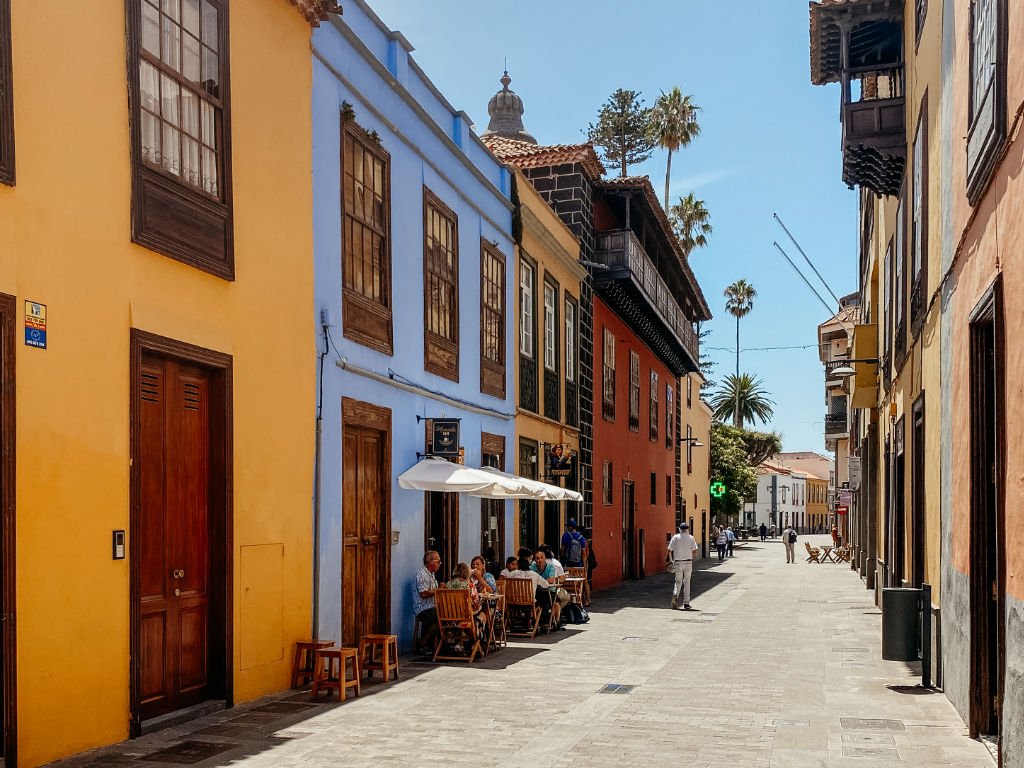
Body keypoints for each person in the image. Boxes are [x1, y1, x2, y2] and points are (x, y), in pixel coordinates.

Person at [413, 550, 443, 653]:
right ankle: (423, 642)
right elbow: (423, 593)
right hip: (423, 608)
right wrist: (438, 590)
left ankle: (433, 645)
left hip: (431, 606)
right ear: (430, 562)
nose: (440, 564)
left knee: (447, 615)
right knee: (443, 617)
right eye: (438, 561)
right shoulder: (422, 574)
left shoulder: (431, 574)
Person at [667, 522, 698, 610]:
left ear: (680, 529)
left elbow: (669, 550)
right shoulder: (691, 538)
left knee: (678, 582)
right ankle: (686, 603)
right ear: (687, 529)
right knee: (687, 582)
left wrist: (671, 560)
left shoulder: (675, 537)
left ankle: (675, 595)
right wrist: (692, 557)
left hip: (677, 562)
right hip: (688, 562)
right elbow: (694, 551)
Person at [530, 548, 564, 627]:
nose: (540, 560)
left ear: (545, 558)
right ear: (534, 559)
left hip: (548, 591)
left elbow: (551, 580)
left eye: (541, 558)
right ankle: (538, 621)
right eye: (537, 558)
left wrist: (538, 581)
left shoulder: (550, 567)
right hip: (537, 592)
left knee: (556, 602)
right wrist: (544, 581)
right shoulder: (532, 566)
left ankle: (556, 622)